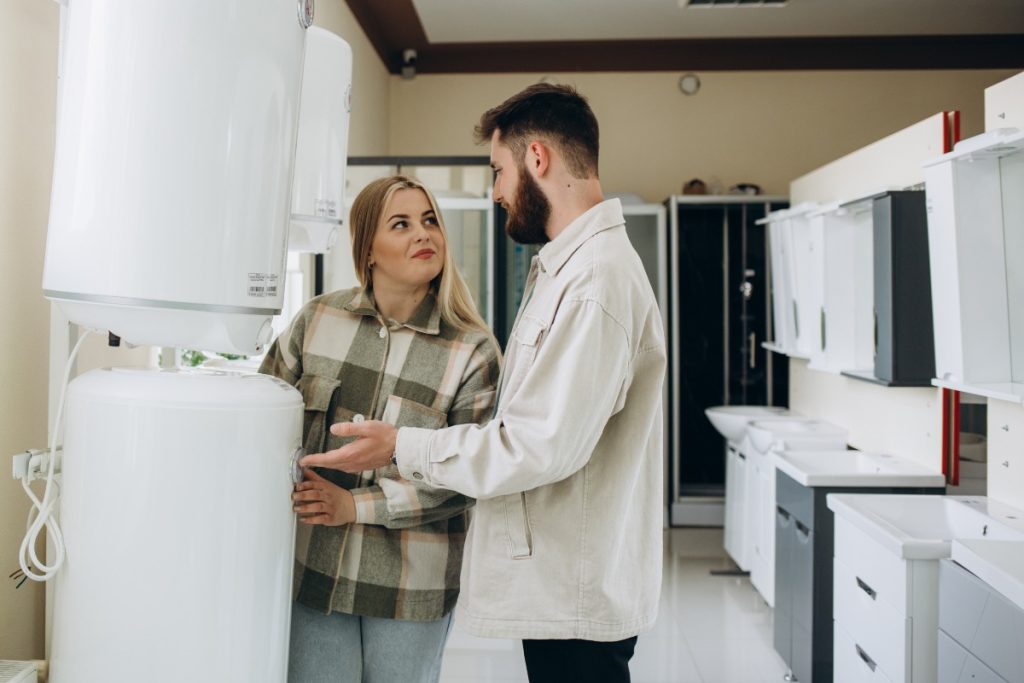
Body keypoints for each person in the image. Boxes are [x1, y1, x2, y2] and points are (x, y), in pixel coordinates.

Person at [300, 84, 667, 683]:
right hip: (559, 587)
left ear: (538, 159)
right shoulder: (566, 270)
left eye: (499, 170)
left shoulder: (596, 284)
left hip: (573, 592)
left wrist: (400, 446)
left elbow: (534, 444)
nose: (497, 191)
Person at [260, 175, 501, 683]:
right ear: (368, 248)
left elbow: (466, 477)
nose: (424, 235)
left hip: (411, 587)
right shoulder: (316, 320)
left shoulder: (472, 352)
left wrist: (354, 506)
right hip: (315, 572)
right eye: (402, 224)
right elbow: (263, 420)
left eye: (430, 220)